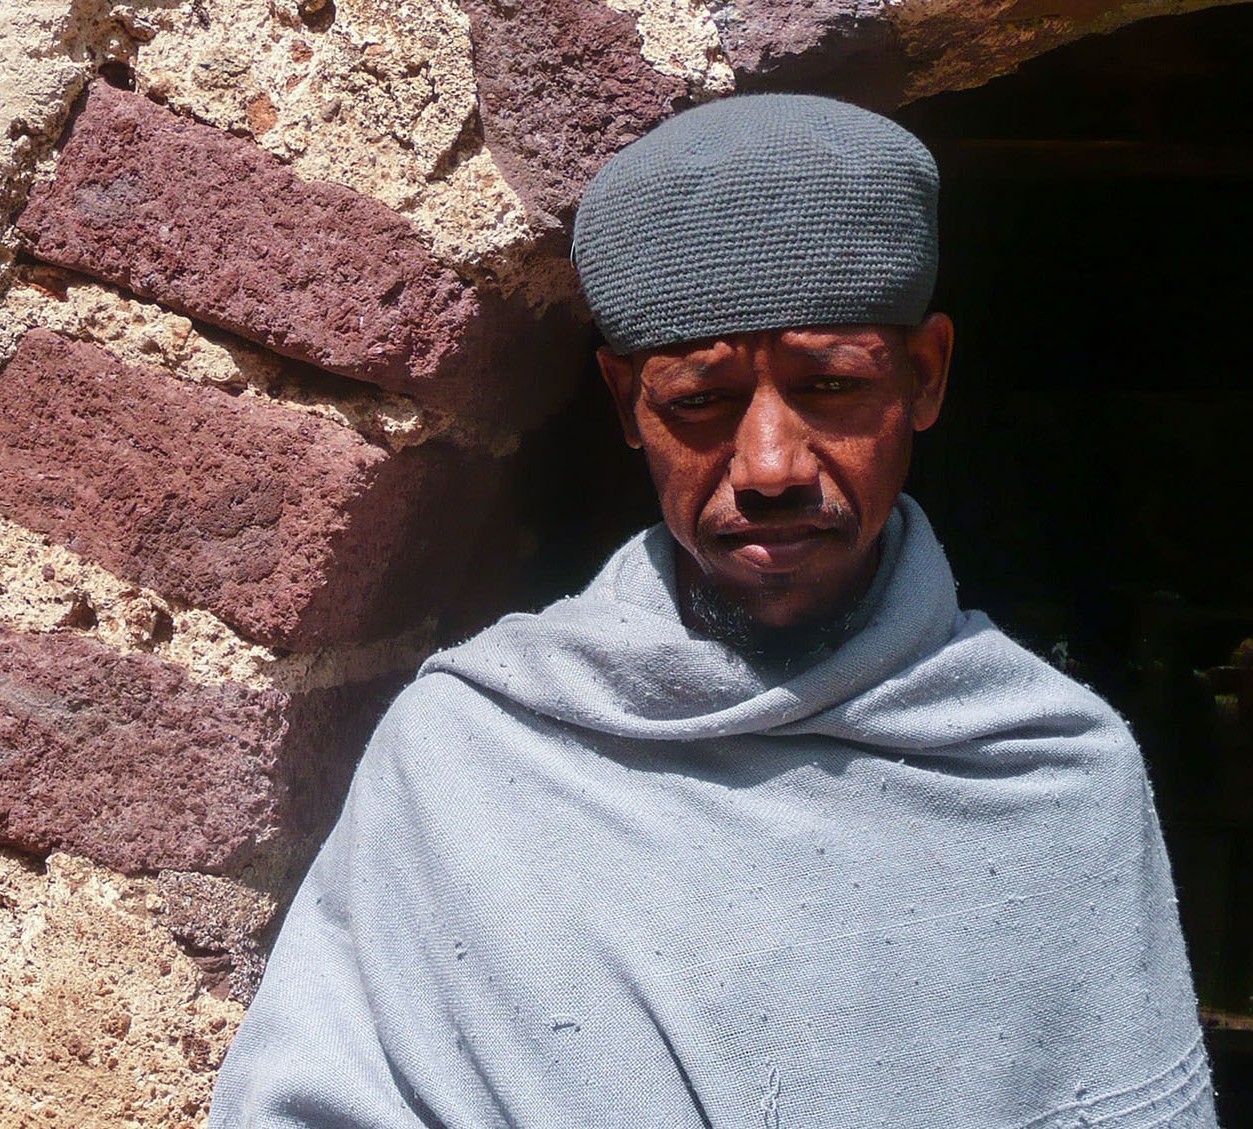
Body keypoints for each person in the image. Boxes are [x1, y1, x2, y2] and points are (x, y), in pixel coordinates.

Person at [207, 94, 1215, 1128]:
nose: (769, 465)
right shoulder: (470, 757)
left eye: (828, 385)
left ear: (922, 376)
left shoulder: (1053, 774)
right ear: (623, 405)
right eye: (698, 400)